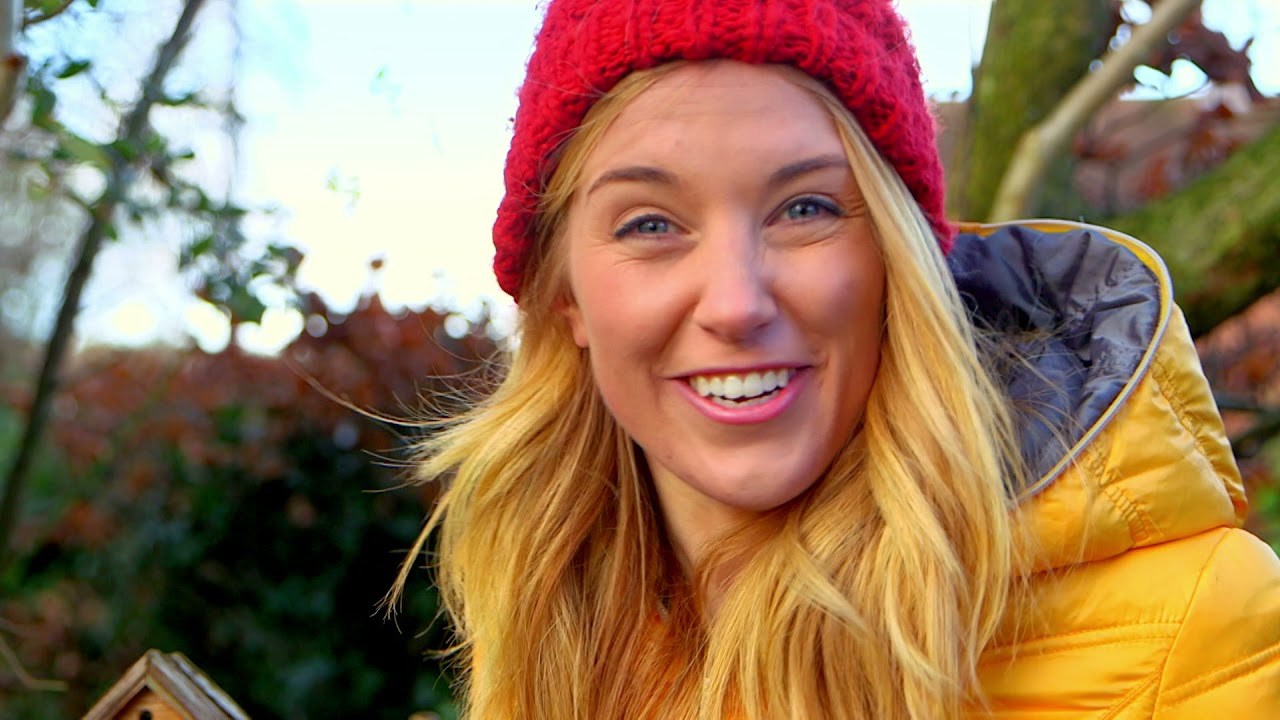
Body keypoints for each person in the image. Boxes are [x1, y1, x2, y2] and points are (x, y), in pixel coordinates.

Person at [388, 1, 1280, 717]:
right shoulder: (556, 629)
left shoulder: (1198, 628)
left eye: (806, 209)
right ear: (566, 297)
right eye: (650, 224)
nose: (736, 302)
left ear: (899, 260)